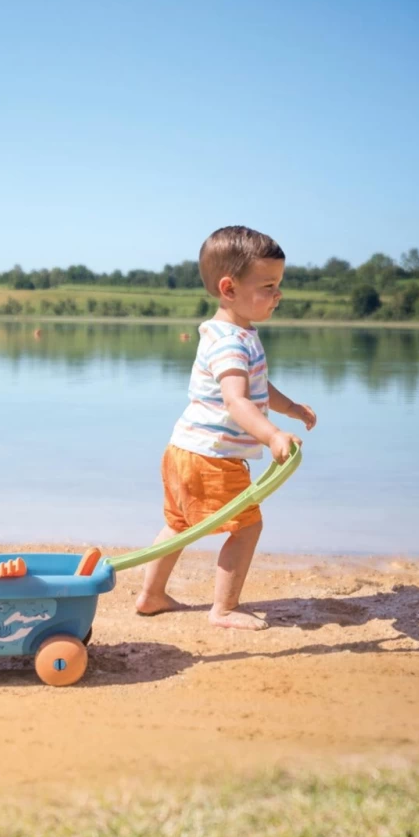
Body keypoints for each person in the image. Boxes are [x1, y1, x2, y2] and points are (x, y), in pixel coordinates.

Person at [135, 227, 317, 630]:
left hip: (182, 449)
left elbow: (257, 387)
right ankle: (224, 609)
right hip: (212, 456)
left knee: (178, 524)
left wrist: (289, 409)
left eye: (279, 285)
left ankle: (151, 595)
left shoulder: (230, 334)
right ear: (228, 288)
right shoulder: (232, 343)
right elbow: (237, 401)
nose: (278, 295)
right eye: (268, 285)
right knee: (248, 526)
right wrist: (271, 435)